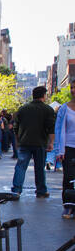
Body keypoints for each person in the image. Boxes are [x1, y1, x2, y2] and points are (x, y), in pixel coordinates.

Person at [12, 86, 56, 198]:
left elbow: (16, 127)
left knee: (21, 166)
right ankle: (41, 190)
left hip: (24, 142)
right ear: (44, 96)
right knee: (39, 168)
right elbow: (51, 128)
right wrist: (51, 143)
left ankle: (16, 190)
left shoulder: (23, 109)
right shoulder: (48, 110)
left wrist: (17, 140)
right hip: (40, 142)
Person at [55, 77, 75, 218]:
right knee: (69, 178)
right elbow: (59, 130)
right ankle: (68, 206)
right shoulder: (64, 108)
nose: (73, 91)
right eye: (72, 88)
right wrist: (60, 150)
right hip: (69, 148)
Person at [46, 102, 62, 171]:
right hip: (60, 135)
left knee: (51, 149)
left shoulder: (53, 116)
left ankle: (48, 161)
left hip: (52, 134)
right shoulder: (63, 116)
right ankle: (58, 166)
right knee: (59, 150)